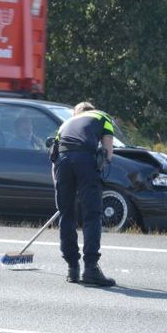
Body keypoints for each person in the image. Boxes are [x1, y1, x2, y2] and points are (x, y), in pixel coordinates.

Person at [52, 101, 116, 287]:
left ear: (76, 113)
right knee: (91, 215)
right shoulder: (102, 117)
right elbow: (108, 152)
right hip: (84, 159)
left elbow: (54, 160)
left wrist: (61, 192)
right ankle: (91, 269)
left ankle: (72, 269)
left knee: (66, 215)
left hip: (62, 163)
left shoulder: (64, 125)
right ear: (91, 111)